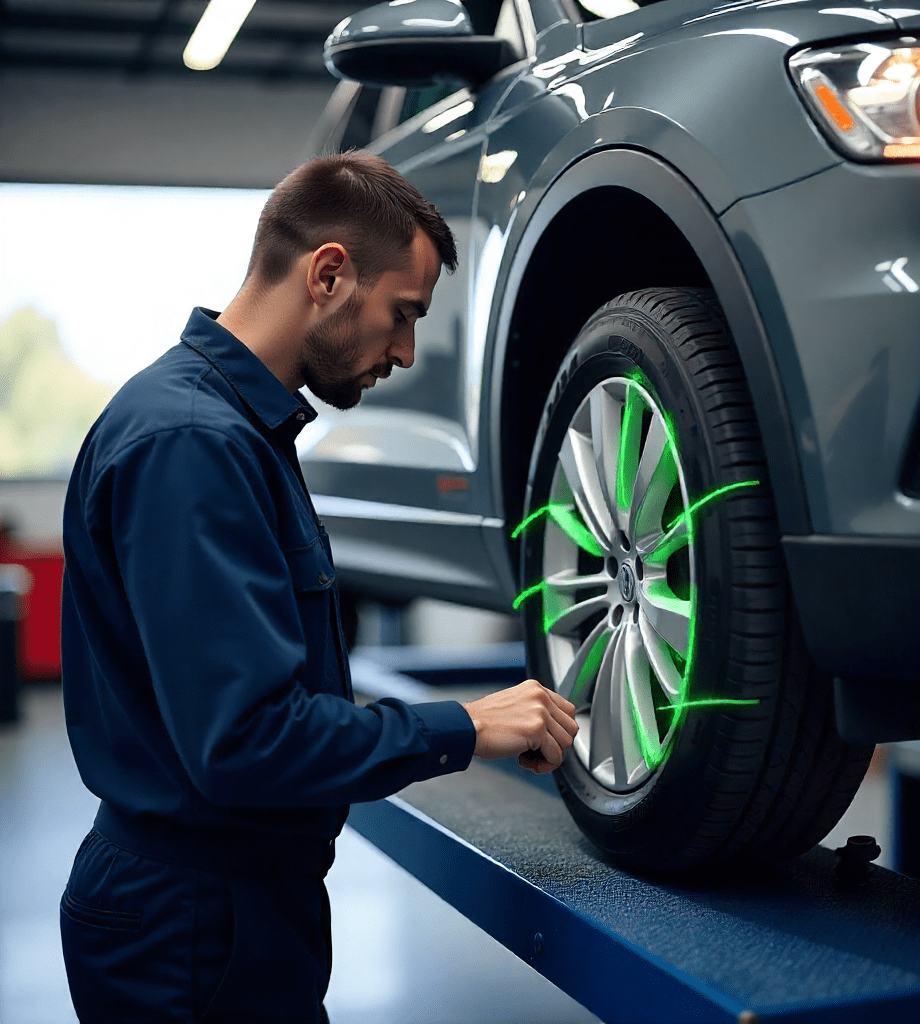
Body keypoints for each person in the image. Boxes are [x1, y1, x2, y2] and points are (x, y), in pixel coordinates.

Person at [59, 151, 578, 1024]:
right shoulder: (193, 444)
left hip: (227, 903)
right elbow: (246, 743)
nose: (407, 352)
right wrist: (465, 725)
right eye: (402, 314)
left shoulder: (230, 430)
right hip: (193, 923)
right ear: (329, 273)